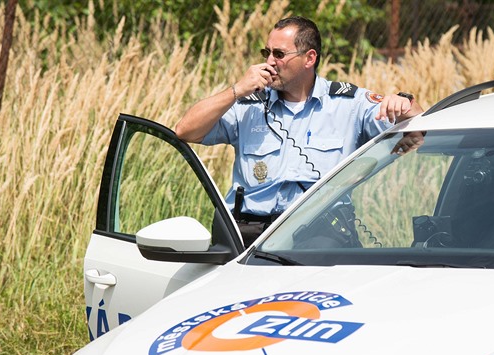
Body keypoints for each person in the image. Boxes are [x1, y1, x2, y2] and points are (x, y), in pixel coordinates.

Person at [175, 16, 424, 246]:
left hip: (319, 232)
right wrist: (237, 90)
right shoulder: (248, 105)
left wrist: (403, 102)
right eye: (267, 52)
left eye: (279, 54)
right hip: (249, 230)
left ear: (309, 58)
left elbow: (419, 120)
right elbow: (185, 131)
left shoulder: (347, 104)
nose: (269, 61)